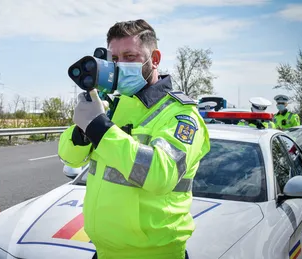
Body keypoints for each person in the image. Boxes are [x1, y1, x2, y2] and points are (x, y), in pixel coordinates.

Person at [58, 19, 210, 259]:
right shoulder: (112, 105)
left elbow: (161, 174)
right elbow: (69, 157)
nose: (120, 66)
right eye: (115, 59)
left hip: (156, 254)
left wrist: (100, 129)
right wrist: (83, 130)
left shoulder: (180, 114)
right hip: (104, 251)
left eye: (130, 56)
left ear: (155, 59)